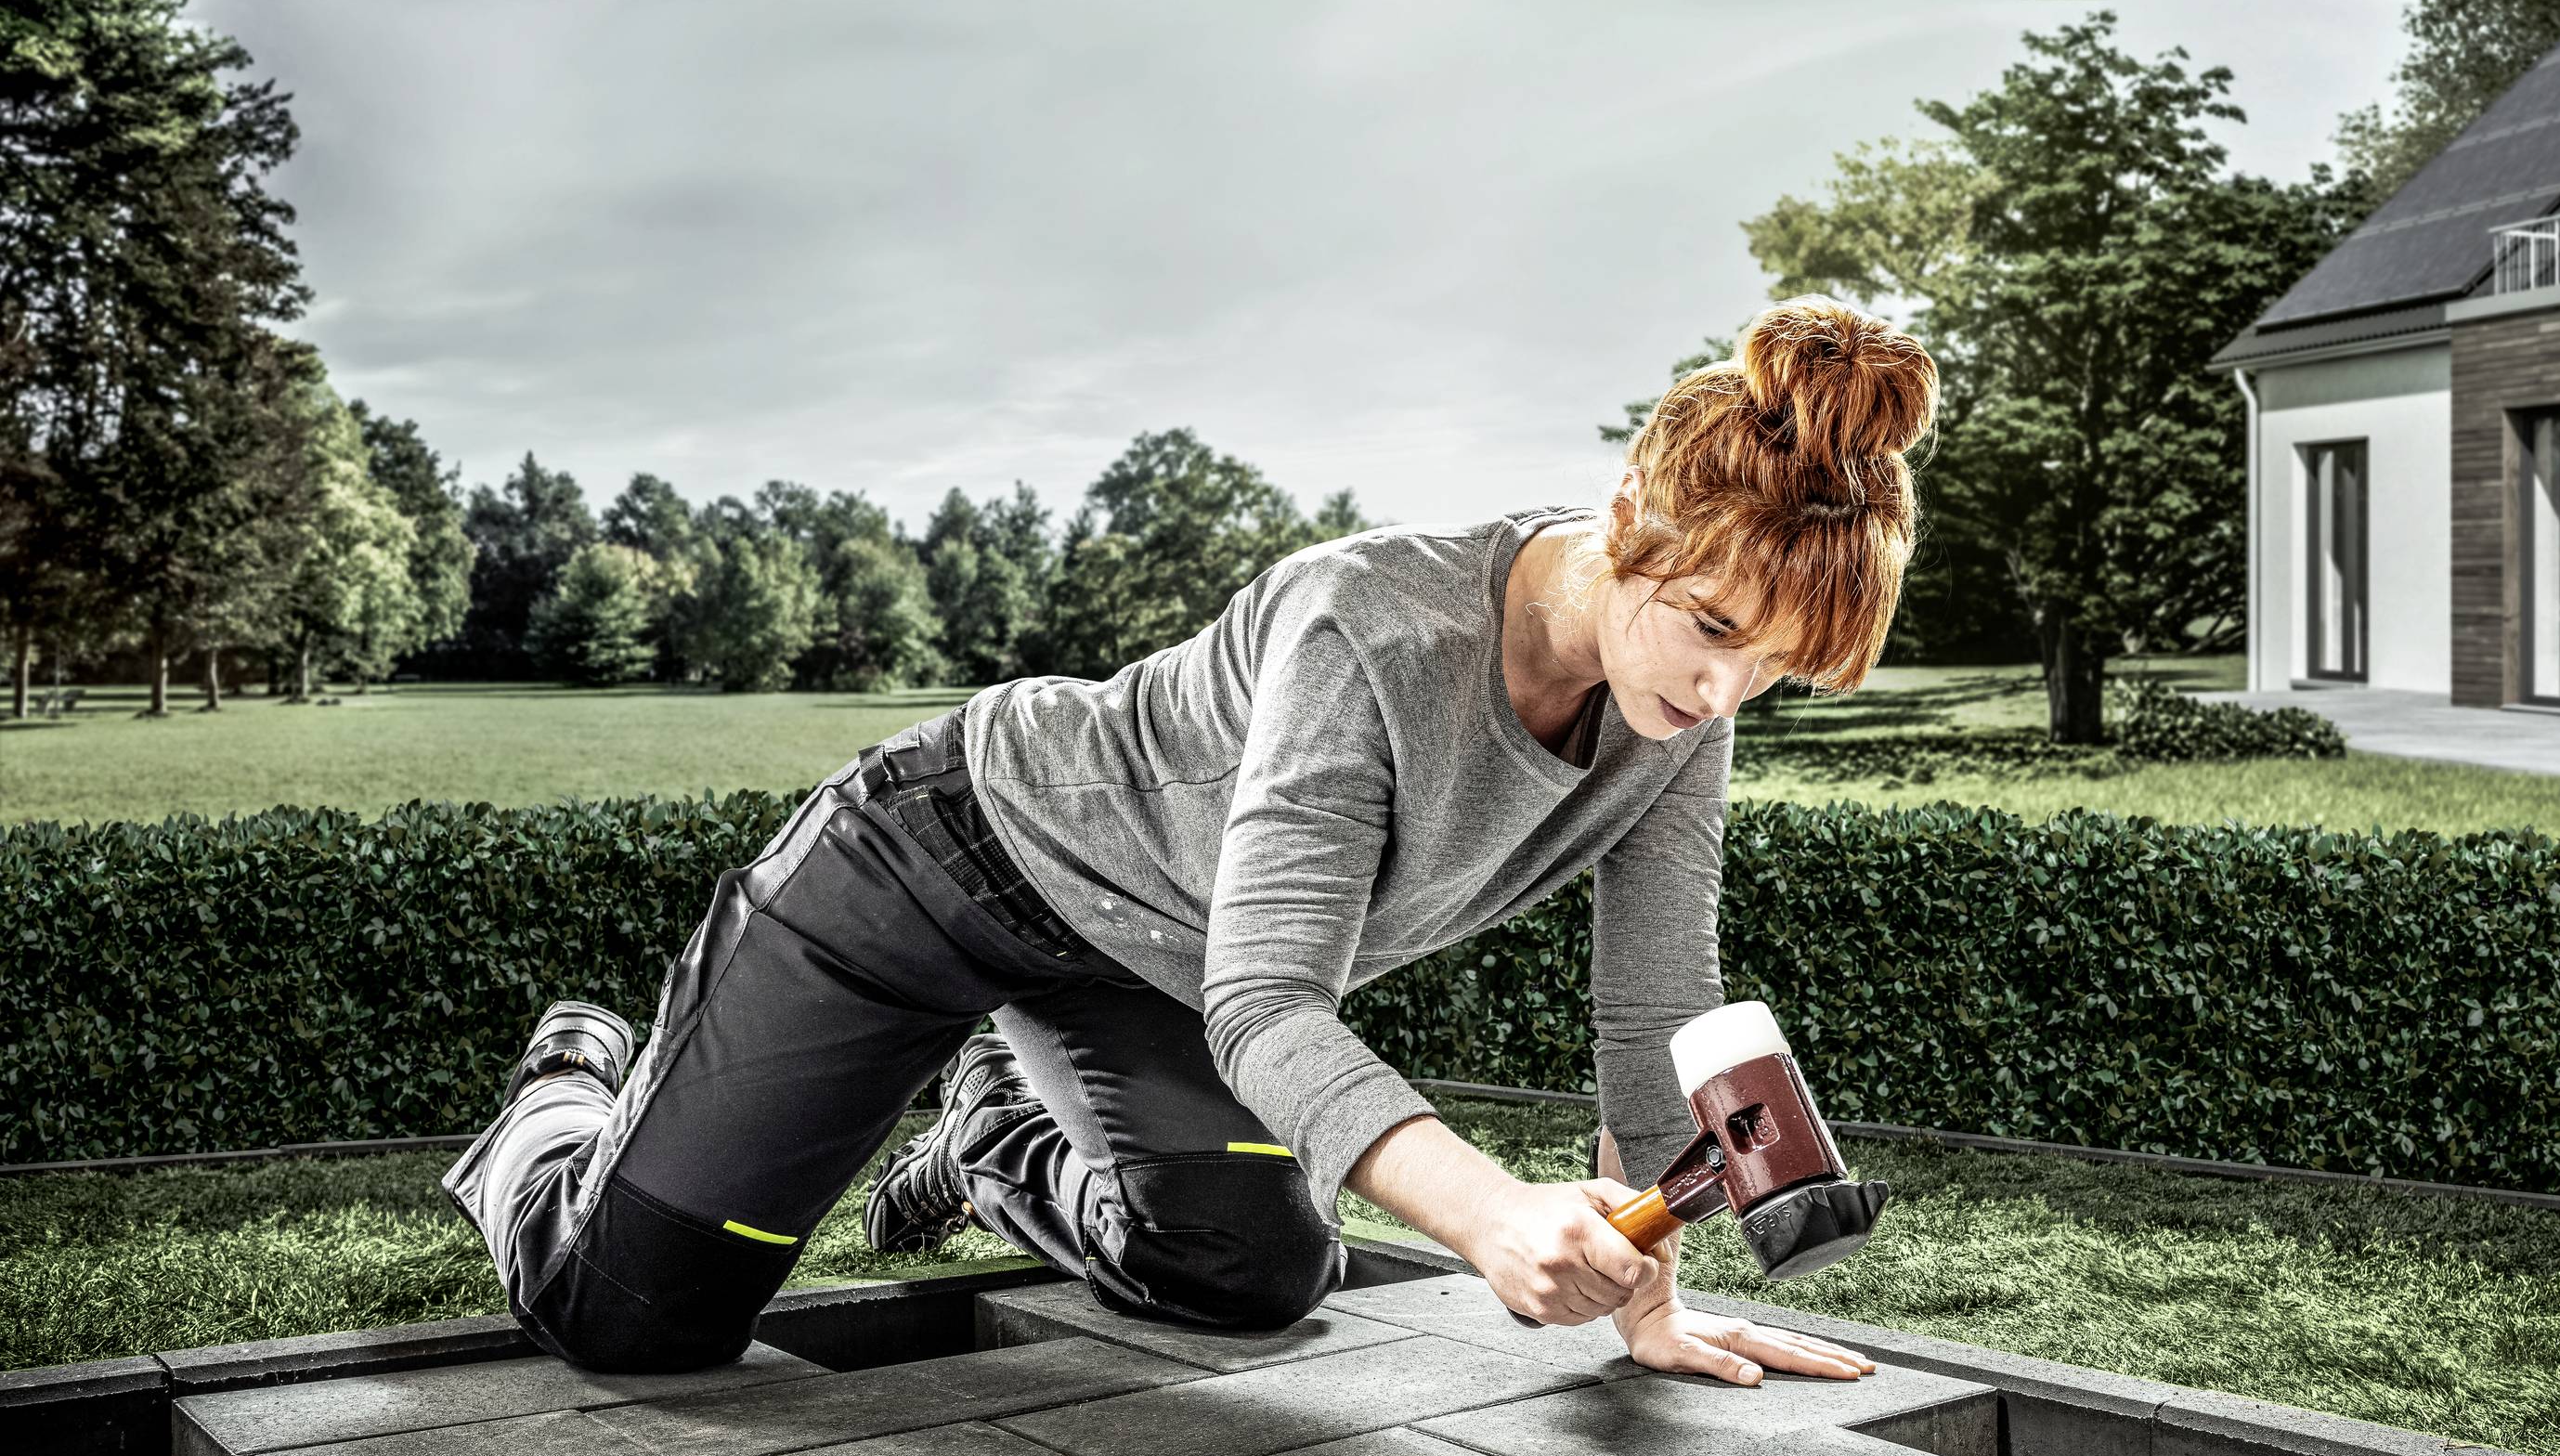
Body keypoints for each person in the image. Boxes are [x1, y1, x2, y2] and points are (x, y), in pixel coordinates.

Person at [442, 296, 1934, 1386]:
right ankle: (564, 1090)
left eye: (1778, 666)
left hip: (1147, 959)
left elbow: (1650, 1013)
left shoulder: (1677, 710)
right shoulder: (1374, 629)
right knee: (631, 1320)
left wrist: (1643, 1305)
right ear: (1629, 519)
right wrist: (1487, 1215)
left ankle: (985, 1135)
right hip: (941, 861)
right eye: (1717, 627)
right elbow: (1269, 1005)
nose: (1725, 688)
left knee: (1256, 1271)